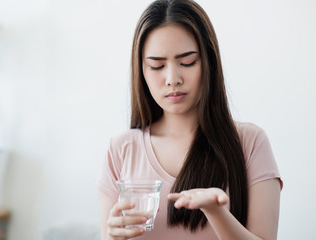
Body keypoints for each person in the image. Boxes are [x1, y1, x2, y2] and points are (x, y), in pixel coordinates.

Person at [96, 0, 283, 239]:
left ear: (209, 61)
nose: (172, 78)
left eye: (187, 62)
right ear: (141, 70)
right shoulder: (120, 150)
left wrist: (216, 212)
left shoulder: (250, 142)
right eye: (157, 65)